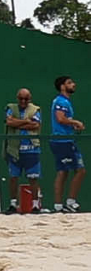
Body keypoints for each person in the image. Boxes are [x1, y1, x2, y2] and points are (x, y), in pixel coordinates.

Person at [3, 88, 42, 214]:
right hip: (14, 149)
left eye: (26, 99)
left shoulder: (35, 109)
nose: (23, 101)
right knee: (13, 177)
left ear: (30, 99)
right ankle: (13, 204)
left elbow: (35, 125)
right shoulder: (11, 108)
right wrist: (26, 121)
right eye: (21, 98)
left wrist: (17, 123)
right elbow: (9, 122)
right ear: (17, 98)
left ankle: (35, 205)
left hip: (31, 149)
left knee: (33, 178)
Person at [50, 75, 85, 213]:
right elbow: (60, 118)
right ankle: (69, 202)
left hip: (67, 139)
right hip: (62, 141)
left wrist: (72, 125)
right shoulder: (60, 101)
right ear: (62, 86)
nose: (73, 84)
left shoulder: (65, 101)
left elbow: (64, 120)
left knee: (64, 172)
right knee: (78, 170)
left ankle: (59, 206)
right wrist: (75, 122)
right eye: (69, 83)